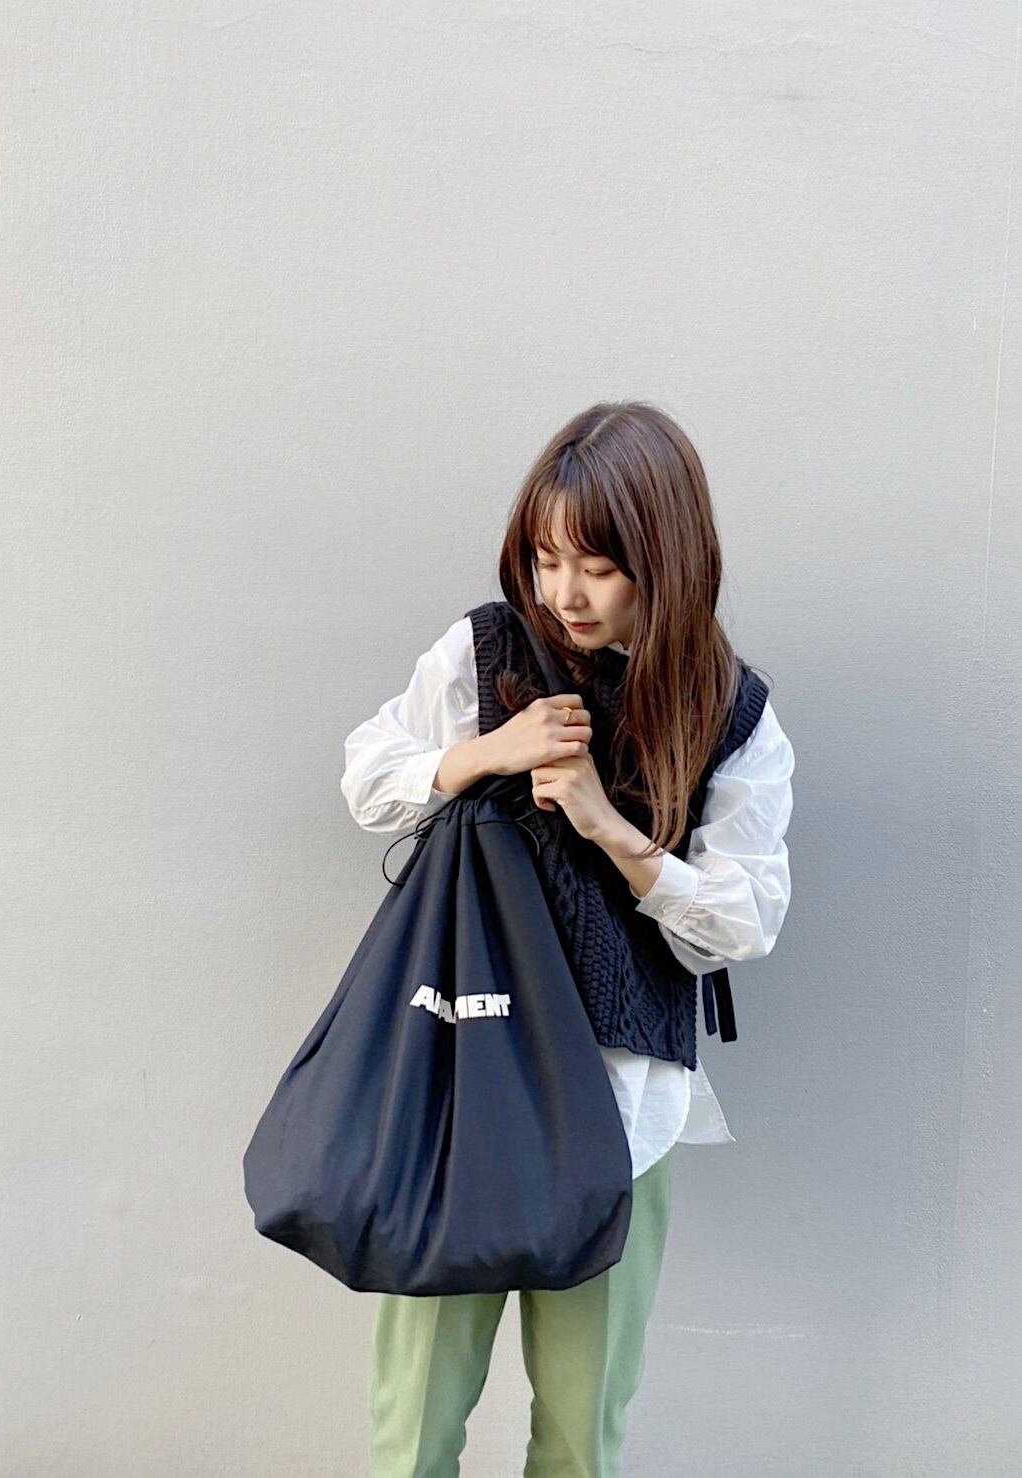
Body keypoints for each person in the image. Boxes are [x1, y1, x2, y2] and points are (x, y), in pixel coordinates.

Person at [339, 400, 795, 1478]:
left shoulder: (728, 711)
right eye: (546, 559)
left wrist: (611, 830)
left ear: (663, 560)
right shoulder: (488, 648)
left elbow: (741, 922)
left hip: (620, 1108)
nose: (564, 593)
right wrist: (486, 750)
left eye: (596, 566)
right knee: (411, 1431)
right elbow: (370, 775)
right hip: (462, 1082)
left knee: (582, 1438)